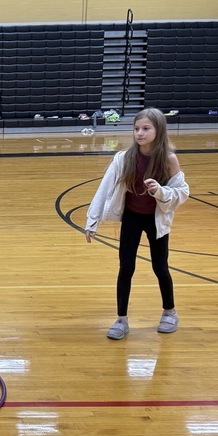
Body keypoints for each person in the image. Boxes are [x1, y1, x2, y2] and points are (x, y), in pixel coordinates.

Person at [84, 107, 190, 339]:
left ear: (159, 130)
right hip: (131, 217)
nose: (139, 133)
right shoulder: (124, 158)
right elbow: (104, 187)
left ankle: (169, 312)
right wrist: (92, 220)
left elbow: (182, 192)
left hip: (155, 221)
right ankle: (121, 319)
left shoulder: (169, 160)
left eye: (146, 129)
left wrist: (160, 191)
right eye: (136, 129)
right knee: (126, 268)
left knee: (160, 267)